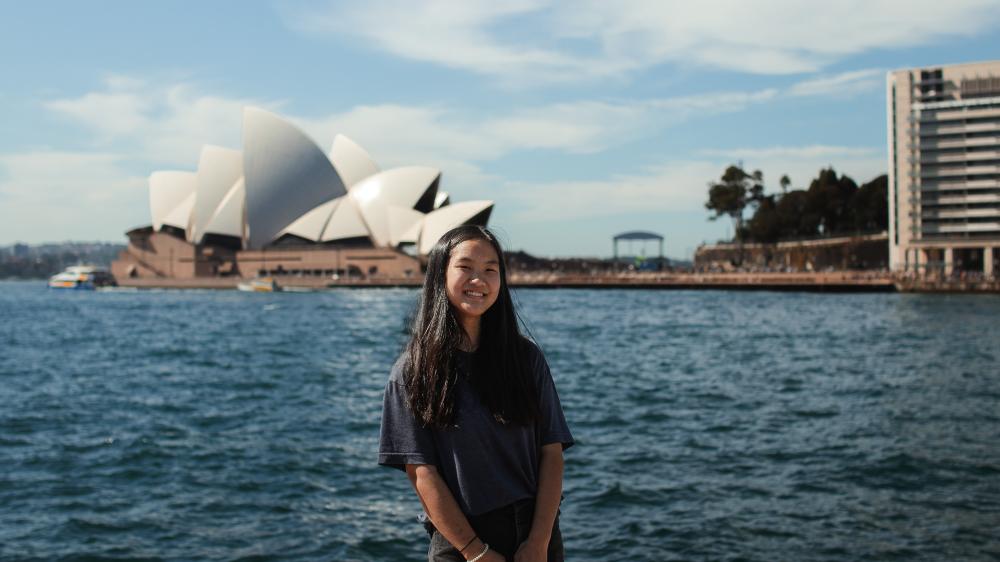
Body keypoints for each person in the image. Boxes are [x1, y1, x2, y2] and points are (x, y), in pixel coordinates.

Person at [379, 225, 574, 562]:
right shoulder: (412, 371)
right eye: (465, 267)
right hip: (460, 542)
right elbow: (422, 473)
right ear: (440, 274)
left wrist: (539, 541)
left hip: (536, 534)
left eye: (490, 270)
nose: (478, 280)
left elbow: (552, 453)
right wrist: (475, 552)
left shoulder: (526, 358)